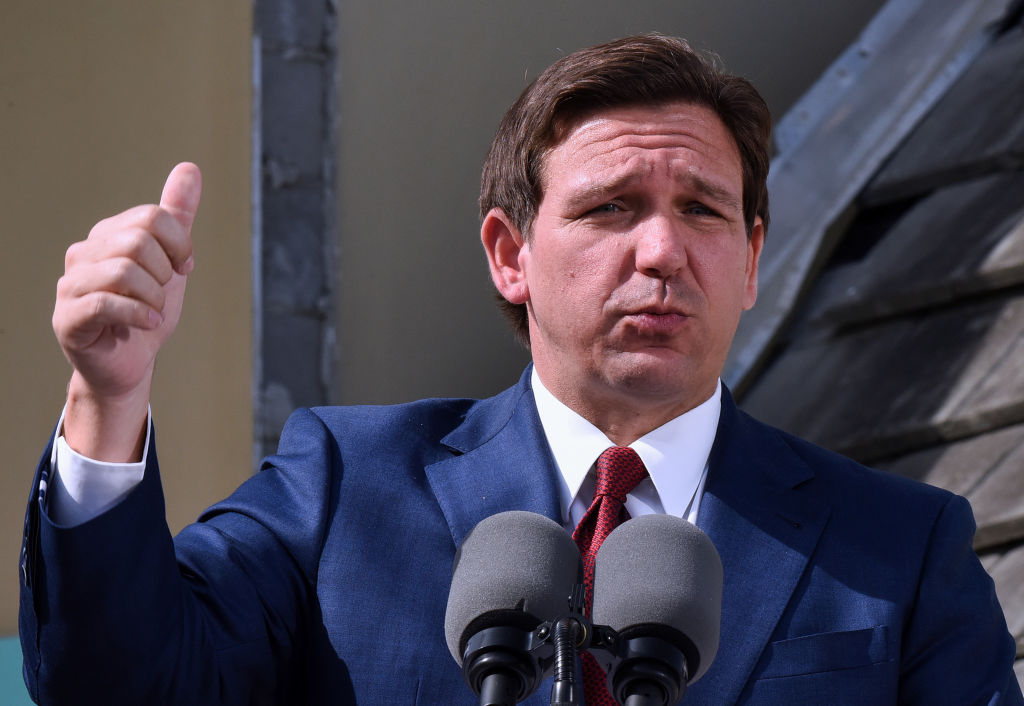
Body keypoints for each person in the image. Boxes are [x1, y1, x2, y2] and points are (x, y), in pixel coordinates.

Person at [20, 34, 1021, 705]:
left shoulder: (899, 547)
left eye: (704, 211)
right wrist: (108, 397)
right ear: (510, 254)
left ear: (752, 259)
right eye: (611, 207)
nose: (662, 251)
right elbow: (122, 684)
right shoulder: (342, 490)